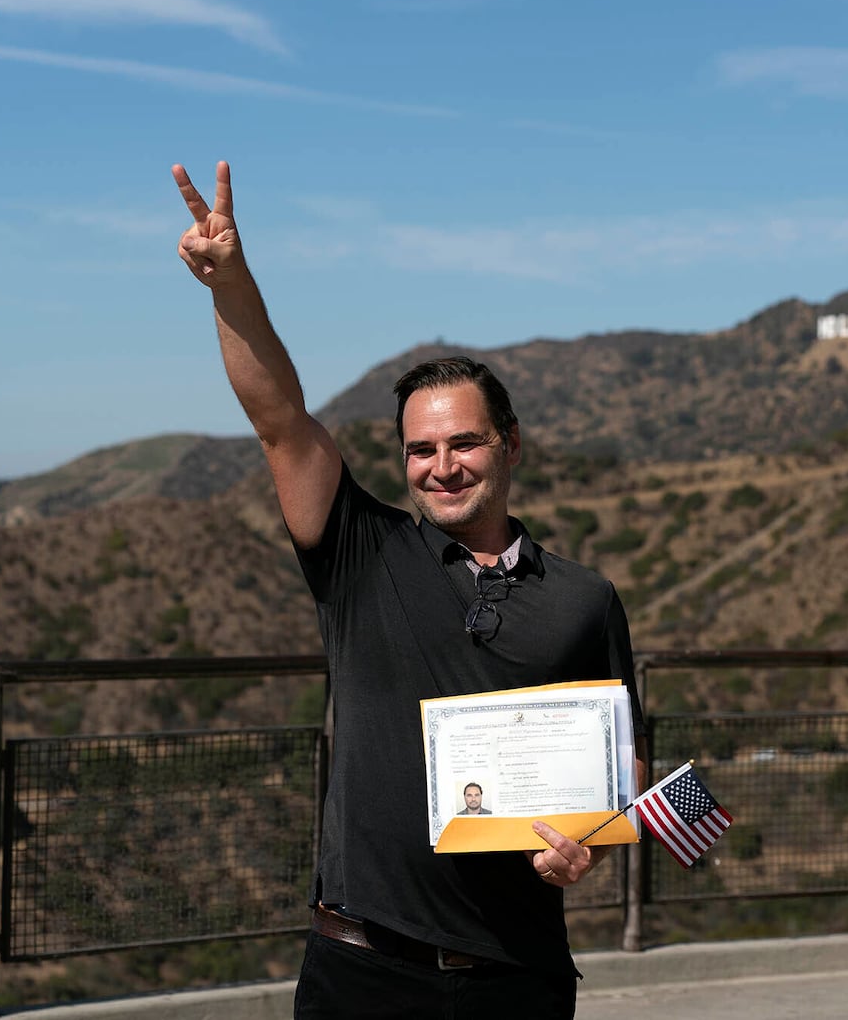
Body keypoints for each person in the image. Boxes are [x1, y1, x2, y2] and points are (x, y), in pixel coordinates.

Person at [172, 161, 644, 1020]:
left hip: (516, 971)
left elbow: (626, 760)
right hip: (362, 966)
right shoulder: (361, 551)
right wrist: (231, 285)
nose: (441, 466)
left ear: (509, 445)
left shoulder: (584, 597)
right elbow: (279, 417)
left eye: (463, 442)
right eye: (421, 451)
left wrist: (592, 843)